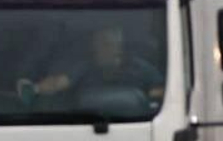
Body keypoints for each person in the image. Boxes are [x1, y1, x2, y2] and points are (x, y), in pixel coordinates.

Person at [20, 24, 164, 105]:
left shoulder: (140, 68)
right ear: (94, 47)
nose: (110, 48)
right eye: (104, 44)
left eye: (113, 44)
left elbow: (159, 91)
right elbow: (59, 82)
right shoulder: (84, 68)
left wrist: (145, 99)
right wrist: (35, 89)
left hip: (134, 123)